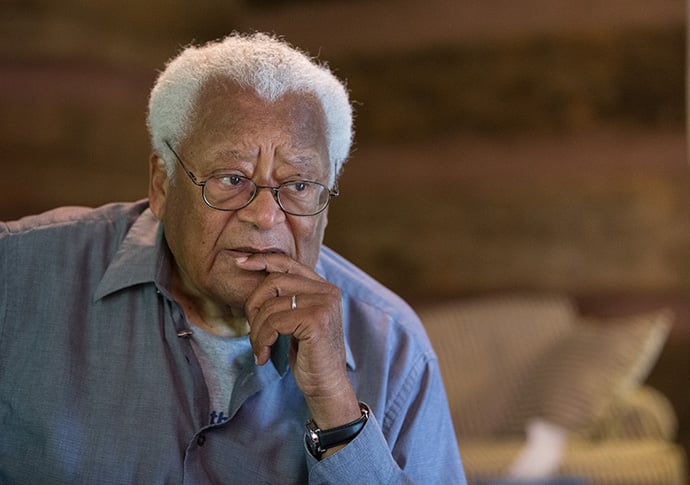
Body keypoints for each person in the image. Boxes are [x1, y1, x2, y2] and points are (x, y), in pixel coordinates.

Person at [0, 32, 465, 484]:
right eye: (231, 178)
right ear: (162, 185)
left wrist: (336, 408)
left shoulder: (394, 350)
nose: (265, 216)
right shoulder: (17, 275)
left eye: (299, 186)